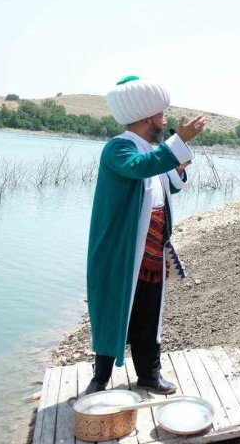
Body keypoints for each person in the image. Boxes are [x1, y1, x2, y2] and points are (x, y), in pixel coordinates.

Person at [85, 76, 206, 395]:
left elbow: (172, 184)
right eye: (161, 115)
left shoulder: (150, 150)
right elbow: (141, 167)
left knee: (149, 311)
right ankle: (101, 378)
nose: (164, 121)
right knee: (113, 309)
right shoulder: (118, 149)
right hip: (121, 250)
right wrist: (177, 142)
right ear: (148, 117)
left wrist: (178, 160)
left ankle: (149, 374)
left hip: (150, 249)